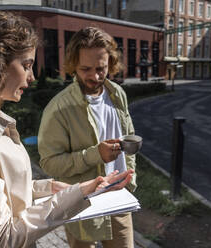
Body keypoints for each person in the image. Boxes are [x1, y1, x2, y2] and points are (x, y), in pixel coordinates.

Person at [0, 12, 134, 248]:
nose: (33, 77)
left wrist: (56, 188)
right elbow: (3, 238)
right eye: (26, 65)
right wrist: (73, 196)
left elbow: (9, 190)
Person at [38, 27, 137, 248]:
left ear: (110, 63)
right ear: (73, 65)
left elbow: (127, 137)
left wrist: (131, 180)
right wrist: (95, 155)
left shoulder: (117, 94)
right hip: (82, 206)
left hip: (119, 200)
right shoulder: (58, 109)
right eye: (85, 68)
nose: (94, 76)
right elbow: (49, 163)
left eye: (101, 68)